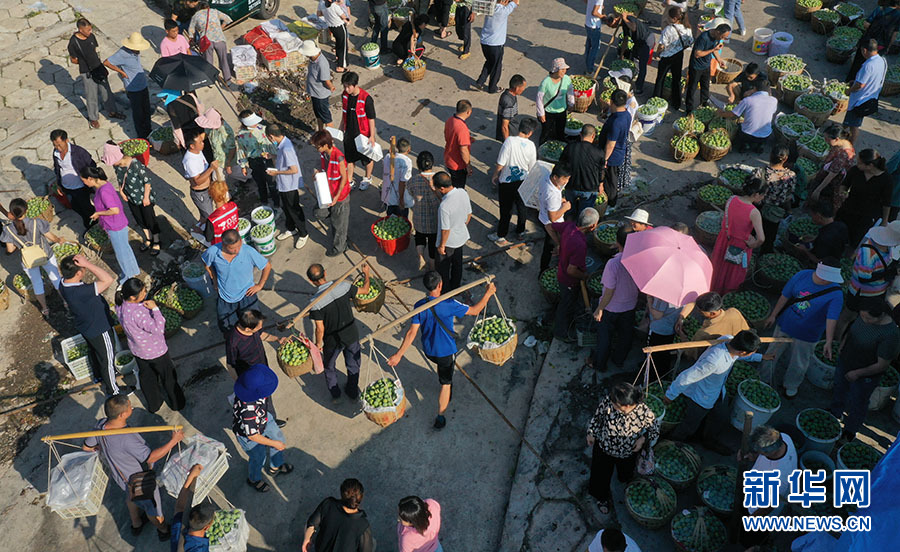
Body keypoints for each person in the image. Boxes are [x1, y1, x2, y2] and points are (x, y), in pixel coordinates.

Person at [387, 272, 496, 428]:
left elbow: (411, 333)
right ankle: (440, 416)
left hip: (429, 350)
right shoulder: (449, 303)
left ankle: (443, 380)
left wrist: (399, 355)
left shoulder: (419, 305)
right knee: (446, 383)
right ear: (440, 285)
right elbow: (475, 310)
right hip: (445, 352)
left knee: (442, 368)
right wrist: (489, 293)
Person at [83, 395, 182, 540]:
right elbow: (151, 457)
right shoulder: (126, 439)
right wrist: (173, 441)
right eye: (130, 407)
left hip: (122, 478)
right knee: (153, 509)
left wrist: (102, 448)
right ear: (122, 414)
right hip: (140, 482)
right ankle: (163, 530)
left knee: (130, 497)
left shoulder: (100, 425)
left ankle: (136, 524)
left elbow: (86, 447)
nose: (132, 408)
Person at [664, 330, 768, 453]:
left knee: (720, 416)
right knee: (690, 423)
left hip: (717, 391)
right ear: (742, 352)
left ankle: (708, 440)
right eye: (752, 352)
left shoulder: (730, 341)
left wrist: (760, 357)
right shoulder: (714, 361)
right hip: (702, 397)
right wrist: (670, 395)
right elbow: (687, 377)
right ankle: (671, 443)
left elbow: (740, 356)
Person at [761, 261, 844, 397]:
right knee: (772, 353)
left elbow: (832, 318)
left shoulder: (836, 294)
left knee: (799, 362)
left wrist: (828, 341)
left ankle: (791, 386)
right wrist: (773, 315)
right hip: (786, 324)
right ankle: (763, 379)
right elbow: (785, 296)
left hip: (808, 334)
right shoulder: (802, 276)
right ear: (823, 276)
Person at [830, 299, 900, 440]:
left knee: (858, 401)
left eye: (868, 318)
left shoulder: (890, 334)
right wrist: (842, 345)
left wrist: (857, 373)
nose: (864, 320)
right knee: (839, 388)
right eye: (862, 316)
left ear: (880, 316)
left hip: (865, 374)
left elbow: (882, 365)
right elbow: (851, 330)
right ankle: (835, 412)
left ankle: (850, 429)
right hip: (846, 361)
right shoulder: (863, 315)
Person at [586, 382, 659, 515]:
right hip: (604, 447)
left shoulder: (644, 413)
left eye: (615, 405)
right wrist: (591, 432)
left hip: (628, 452)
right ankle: (602, 497)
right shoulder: (610, 400)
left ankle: (624, 478)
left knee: (625, 474)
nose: (611, 404)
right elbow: (597, 417)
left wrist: (642, 439)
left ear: (626, 406)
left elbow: (654, 430)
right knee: (600, 475)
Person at [59, 254, 127, 395]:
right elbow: (108, 279)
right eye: (83, 269)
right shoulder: (80, 292)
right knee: (107, 359)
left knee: (95, 353)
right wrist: (88, 264)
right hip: (99, 328)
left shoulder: (63, 283)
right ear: (78, 273)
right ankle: (113, 390)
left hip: (86, 327)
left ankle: (97, 376)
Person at [115, 278, 186, 412]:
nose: (145, 293)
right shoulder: (139, 312)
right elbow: (158, 329)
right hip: (156, 351)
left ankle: (154, 405)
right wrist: (155, 309)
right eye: (143, 292)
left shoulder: (120, 306)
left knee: (147, 378)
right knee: (168, 378)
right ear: (132, 296)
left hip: (138, 351)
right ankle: (178, 404)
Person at [307, 263, 371, 401]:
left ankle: (335, 393)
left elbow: (320, 328)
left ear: (311, 281)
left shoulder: (314, 303)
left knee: (329, 366)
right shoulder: (344, 286)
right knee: (353, 364)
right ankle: (352, 391)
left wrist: (319, 343)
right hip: (350, 334)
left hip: (332, 340)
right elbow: (365, 290)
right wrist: (366, 273)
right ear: (325, 274)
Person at [232, 364, 293, 492]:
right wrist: (273, 443)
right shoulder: (248, 411)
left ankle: (275, 466)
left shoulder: (249, 389)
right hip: (250, 435)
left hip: (263, 417)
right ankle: (254, 479)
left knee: (278, 436)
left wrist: (276, 441)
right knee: (258, 457)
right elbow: (252, 435)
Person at [2, 198, 65, 316]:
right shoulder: (37, 222)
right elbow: (51, 237)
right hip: (45, 254)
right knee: (55, 277)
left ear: (11, 213)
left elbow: (10, 250)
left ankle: (45, 308)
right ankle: (66, 301)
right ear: (26, 210)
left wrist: (19, 243)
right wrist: (59, 240)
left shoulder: (8, 229)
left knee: (36, 283)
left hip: (27, 260)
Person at [201, 229, 272, 333]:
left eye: (239, 245)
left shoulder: (248, 251)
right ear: (224, 245)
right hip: (225, 297)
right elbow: (207, 264)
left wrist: (260, 285)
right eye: (233, 248)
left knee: (253, 324)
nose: (237, 250)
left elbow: (267, 266)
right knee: (227, 326)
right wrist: (215, 280)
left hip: (247, 295)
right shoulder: (213, 252)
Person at [224, 309, 286, 427]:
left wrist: (277, 339)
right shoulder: (233, 341)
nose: (259, 329)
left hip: (261, 371)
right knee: (257, 404)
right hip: (251, 379)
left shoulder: (252, 327)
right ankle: (262, 426)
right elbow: (230, 365)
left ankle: (271, 420)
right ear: (248, 329)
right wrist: (241, 384)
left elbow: (262, 335)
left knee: (267, 398)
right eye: (257, 328)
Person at [591, 226, 639, 371]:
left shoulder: (613, 264)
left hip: (611, 307)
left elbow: (609, 291)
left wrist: (600, 309)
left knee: (604, 338)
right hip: (630, 305)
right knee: (625, 335)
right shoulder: (639, 259)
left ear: (617, 242)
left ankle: (600, 365)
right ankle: (619, 360)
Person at [81, 165, 140, 283]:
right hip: (118, 223)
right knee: (125, 248)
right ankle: (134, 270)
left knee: (121, 254)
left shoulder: (104, 192)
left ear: (90, 178)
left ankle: (128, 278)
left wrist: (98, 213)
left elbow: (114, 210)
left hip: (115, 226)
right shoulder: (104, 185)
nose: (84, 183)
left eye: (84, 181)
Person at [841, 221, 900, 333]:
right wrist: (889, 273)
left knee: (862, 319)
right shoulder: (867, 253)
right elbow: (863, 278)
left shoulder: (887, 247)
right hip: (861, 294)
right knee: (848, 316)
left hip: (877, 293)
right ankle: (836, 340)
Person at [710, 178, 766, 294]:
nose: (763, 198)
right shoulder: (754, 212)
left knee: (719, 266)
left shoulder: (731, 199)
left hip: (724, 239)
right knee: (733, 272)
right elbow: (761, 238)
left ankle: (713, 289)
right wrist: (753, 244)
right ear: (756, 194)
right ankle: (726, 295)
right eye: (762, 195)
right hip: (739, 246)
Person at [103, 142, 161, 254]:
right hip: (130, 198)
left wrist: (146, 198)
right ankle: (148, 238)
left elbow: (147, 181)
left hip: (143, 198)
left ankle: (157, 240)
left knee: (150, 219)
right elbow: (120, 179)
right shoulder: (117, 166)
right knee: (139, 218)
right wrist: (121, 191)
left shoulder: (135, 164)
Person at [551, 208, 600, 339]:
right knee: (566, 305)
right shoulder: (579, 244)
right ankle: (561, 333)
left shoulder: (569, 226)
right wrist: (585, 276)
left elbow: (550, 226)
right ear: (592, 226)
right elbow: (571, 270)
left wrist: (558, 244)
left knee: (566, 303)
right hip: (568, 280)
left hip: (561, 270)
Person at [68, 18, 125, 128]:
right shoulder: (73, 43)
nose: (90, 32)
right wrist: (84, 63)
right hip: (87, 72)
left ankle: (112, 111)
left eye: (90, 29)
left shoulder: (91, 37)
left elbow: (94, 50)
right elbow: (73, 59)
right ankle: (93, 118)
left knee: (106, 91)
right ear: (80, 30)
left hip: (98, 68)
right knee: (91, 95)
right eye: (87, 30)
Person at [489, 117, 537, 245]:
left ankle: (501, 235)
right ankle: (520, 232)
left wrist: (495, 174)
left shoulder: (509, 141)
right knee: (522, 208)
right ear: (531, 132)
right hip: (523, 181)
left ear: (519, 127)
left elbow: (500, 162)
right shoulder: (531, 146)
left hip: (507, 183)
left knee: (506, 210)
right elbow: (532, 167)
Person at [265, 123, 309, 250]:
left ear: (271, 136)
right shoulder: (282, 144)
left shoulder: (286, 148)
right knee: (286, 207)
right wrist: (272, 156)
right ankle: (291, 228)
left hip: (289, 184)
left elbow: (293, 169)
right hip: (283, 184)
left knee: (294, 209)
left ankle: (303, 233)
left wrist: (276, 172)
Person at [836, 148, 893, 245]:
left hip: (866, 216)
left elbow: (886, 202)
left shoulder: (886, 179)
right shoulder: (855, 171)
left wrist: (884, 221)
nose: (857, 164)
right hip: (848, 208)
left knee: (856, 239)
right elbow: (845, 184)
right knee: (838, 231)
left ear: (870, 166)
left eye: (859, 163)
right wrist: (842, 192)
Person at [302, 479, 375, 552]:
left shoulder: (328, 504)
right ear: (360, 497)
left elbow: (312, 524)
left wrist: (307, 539)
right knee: (373, 542)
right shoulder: (363, 525)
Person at [739, 426, 798, 516]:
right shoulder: (783, 438)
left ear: (767, 453)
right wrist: (750, 454)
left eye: (759, 451)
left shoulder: (780, 476)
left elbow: (771, 505)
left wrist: (753, 517)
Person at [104, 32, 152, 138]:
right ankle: (142, 135)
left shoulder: (136, 52)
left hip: (142, 85)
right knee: (138, 113)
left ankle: (149, 131)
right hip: (133, 88)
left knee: (146, 110)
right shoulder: (122, 53)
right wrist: (121, 72)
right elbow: (107, 62)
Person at [311, 130, 351, 257]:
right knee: (318, 212)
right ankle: (341, 229)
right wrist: (318, 173)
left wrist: (337, 197)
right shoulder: (324, 155)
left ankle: (340, 247)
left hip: (340, 197)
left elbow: (344, 179)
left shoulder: (338, 158)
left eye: (318, 146)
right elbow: (325, 170)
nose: (316, 149)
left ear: (325, 145)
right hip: (328, 193)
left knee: (338, 226)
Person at [51, 128, 96, 231]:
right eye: (55, 145)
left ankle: (93, 225)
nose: (58, 148)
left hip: (80, 187)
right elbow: (58, 169)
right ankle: (88, 220)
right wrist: (58, 184)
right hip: (66, 186)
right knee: (75, 206)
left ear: (66, 140)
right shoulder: (56, 153)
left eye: (59, 144)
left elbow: (91, 164)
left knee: (86, 208)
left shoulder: (79, 152)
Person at [845, 39, 888, 144]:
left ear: (864, 50)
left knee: (854, 125)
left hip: (860, 100)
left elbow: (860, 85)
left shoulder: (868, 65)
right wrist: (854, 81)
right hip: (871, 96)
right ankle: (842, 129)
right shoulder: (882, 60)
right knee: (852, 121)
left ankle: (850, 145)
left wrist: (849, 90)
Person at [340, 72, 378, 190]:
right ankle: (350, 180)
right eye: (344, 86)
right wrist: (341, 127)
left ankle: (367, 177)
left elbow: (371, 119)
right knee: (349, 159)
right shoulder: (345, 96)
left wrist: (372, 136)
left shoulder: (366, 99)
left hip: (363, 134)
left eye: (348, 86)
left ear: (355, 85)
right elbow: (344, 113)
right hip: (349, 134)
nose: (346, 89)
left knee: (366, 159)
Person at [435, 171, 472, 291]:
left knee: (443, 269)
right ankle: (456, 288)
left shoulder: (444, 206)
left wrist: (442, 246)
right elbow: (469, 214)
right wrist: (461, 225)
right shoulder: (462, 192)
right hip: (461, 238)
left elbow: (445, 230)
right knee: (457, 265)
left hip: (449, 243)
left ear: (441, 188)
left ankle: (445, 291)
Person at [846, 0, 900, 81]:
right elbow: (894, 35)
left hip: (869, 41)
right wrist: (888, 47)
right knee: (872, 65)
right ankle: (865, 82)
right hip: (881, 46)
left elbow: (866, 24)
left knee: (858, 62)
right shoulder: (898, 16)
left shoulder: (880, 9)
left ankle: (851, 81)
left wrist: (874, 29)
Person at [720, 78, 777, 153]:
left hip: (747, 135)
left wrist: (721, 113)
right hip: (765, 135)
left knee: (738, 125)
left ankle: (746, 145)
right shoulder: (774, 100)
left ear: (754, 88)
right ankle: (760, 145)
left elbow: (732, 115)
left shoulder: (748, 100)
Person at [559, 124, 605, 216]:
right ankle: (581, 227)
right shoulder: (599, 152)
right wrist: (601, 184)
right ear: (593, 136)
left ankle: (569, 225)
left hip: (571, 185)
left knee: (569, 211)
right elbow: (601, 170)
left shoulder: (570, 147)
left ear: (580, 134)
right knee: (585, 214)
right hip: (589, 187)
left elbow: (561, 164)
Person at [474, 0, 519, 94]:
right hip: (496, 44)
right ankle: (492, 87)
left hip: (484, 42)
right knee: (496, 67)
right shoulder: (504, 11)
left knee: (489, 62)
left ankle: (480, 81)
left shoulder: (489, 8)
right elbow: (515, 2)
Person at [236, 110, 279, 207]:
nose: (256, 123)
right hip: (254, 161)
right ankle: (264, 202)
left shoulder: (263, 129)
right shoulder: (241, 135)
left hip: (267, 160)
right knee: (260, 184)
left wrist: (275, 156)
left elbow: (272, 143)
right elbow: (241, 151)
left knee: (272, 182)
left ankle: (276, 204)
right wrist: (243, 166)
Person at [653, 6, 693, 111]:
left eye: (669, 17)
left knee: (661, 78)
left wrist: (657, 53)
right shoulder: (687, 28)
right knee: (676, 79)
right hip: (679, 55)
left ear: (675, 19)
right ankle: (676, 102)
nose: (667, 18)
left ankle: (656, 100)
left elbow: (661, 45)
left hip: (666, 57)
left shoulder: (668, 30)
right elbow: (690, 42)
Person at [808, 125, 856, 210]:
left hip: (831, 183)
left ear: (837, 139)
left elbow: (831, 175)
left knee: (820, 202)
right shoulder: (842, 143)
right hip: (828, 173)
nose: (825, 141)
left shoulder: (843, 155)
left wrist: (818, 190)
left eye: (827, 139)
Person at [685, 23, 730, 114]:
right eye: (722, 36)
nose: (722, 39)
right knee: (692, 88)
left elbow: (715, 50)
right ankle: (689, 109)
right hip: (696, 67)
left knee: (705, 86)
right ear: (717, 32)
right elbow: (697, 54)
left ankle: (704, 104)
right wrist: (713, 50)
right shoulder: (704, 38)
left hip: (706, 65)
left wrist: (719, 60)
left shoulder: (717, 38)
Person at [759, 146, 796, 254]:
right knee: (769, 237)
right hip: (775, 212)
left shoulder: (760, 172)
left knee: (751, 231)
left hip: (758, 208)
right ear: (785, 159)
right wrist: (788, 210)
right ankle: (764, 256)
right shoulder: (790, 176)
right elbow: (788, 196)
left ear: (770, 155)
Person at [598, 90, 631, 207]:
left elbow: (611, 144)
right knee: (613, 179)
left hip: (612, 156)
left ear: (611, 101)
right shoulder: (627, 114)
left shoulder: (617, 122)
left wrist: (605, 159)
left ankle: (610, 203)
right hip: (620, 151)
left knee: (610, 181)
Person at [790, 200, 849, 266]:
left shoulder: (824, 239)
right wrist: (815, 238)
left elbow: (819, 261)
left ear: (818, 216)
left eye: (812, 215)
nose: (811, 218)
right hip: (837, 257)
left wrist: (805, 250)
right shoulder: (841, 225)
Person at [169, 464, 213, 552]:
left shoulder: (179, 526)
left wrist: (191, 476)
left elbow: (179, 507)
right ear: (207, 528)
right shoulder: (199, 549)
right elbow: (179, 507)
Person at [408, 151, 440, 270]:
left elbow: (409, 197)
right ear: (432, 163)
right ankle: (432, 267)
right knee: (432, 243)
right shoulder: (439, 178)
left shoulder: (413, 180)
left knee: (419, 237)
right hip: (434, 219)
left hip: (419, 217)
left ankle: (421, 257)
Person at [188, 0, 233, 83]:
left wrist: (192, 40)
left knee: (208, 61)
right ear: (208, 7)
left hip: (206, 41)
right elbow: (228, 19)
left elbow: (191, 30)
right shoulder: (215, 11)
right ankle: (228, 79)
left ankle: (211, 79)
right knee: (223, 60)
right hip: (219, 39)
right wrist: (221, 28)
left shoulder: (196, 15)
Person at [538, 163, 572, 272]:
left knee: (554, 245)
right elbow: (552, 218)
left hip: (543, 216)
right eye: (564, 179)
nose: (566, 182)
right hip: (551, 224)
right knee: (550, 246)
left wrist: (560, 200)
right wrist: (565, 208)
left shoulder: (546, 178)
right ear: (555, 177)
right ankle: (544, 270)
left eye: (568, 178)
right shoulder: (551, 194)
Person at [182, 128, 219, 227]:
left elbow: (203, 135)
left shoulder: (197, 150)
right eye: (200, 142)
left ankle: (198, 227)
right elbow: (197, 181)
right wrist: (211, 169)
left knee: (205, 215)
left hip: (207, 189)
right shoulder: (190, 161)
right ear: (192, 146)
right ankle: (207, 235)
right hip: (201, 194)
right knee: (210, 217)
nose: (203, 143)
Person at [682, 291, 750, 344]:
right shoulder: (734, 311)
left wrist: (681, 335)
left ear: (713, 313)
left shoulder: (704, 333)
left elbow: (690, 351)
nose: (698, 312)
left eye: (701, 312)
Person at [647, 295, 689, 374]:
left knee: (653, 357)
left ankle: (650, 379)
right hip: (671, 328)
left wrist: (649, 299)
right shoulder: (682, 292)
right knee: (664, 355)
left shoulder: (662, 295)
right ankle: (663, 376)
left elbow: (657, 315)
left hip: (658, 329)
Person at [536, 58, 574, 144]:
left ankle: (560, 145)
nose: (564, 72)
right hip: (549, 111)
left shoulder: (567, 79)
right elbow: (539, 98)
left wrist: (571, 103)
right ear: (555, 70)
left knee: (560, 130)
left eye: (565, 69)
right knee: (546, 132)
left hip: (561, 110)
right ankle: (541, 147)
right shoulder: (545, 82)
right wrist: (541, 114)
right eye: (562, 69)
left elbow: (570, 91)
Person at [302, 40, 336, 132]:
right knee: (318, 115)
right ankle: (320, 132)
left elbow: (326, 81)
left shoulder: (322, 63)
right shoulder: (313, 60)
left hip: (320, 95)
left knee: (326, 117)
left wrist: (331, 87)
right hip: (315, 93)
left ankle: (331, 138)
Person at [617, 7, 652, 95]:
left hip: (646, 40)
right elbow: (625, 39)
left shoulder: (628, 19)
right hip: (638, 41)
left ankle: (639, 88)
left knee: (642, 64)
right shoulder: (624, 25)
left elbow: (633, 27)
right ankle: (634, 75)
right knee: (634, 57)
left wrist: (624, 18)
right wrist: (622, 53)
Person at [196, 108, 235, 180]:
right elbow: (206, 134)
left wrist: (228, 163)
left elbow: (232, 148)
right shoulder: (211, 127)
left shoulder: (225, 131)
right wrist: (196, 141)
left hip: (224, 160)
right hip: (217, 158)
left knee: (217, 180)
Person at [444, 100, 473, 189]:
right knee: (459, 186)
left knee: (454, 180)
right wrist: (468, 165)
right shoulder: (462, 128)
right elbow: (463, 150)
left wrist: (468, 139)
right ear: (468, 112)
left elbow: (448, 135)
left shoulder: (450, 120)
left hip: (448, 157)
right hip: (457, 164)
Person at [381, 137, 413, 218]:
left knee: (391, 217)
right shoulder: (407, 162)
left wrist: (391, 145)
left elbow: (391, 154)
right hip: (399, 195)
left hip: (388, 194)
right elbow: (402, 182)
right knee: (402, 220)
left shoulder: (387, 157)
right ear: (409, 150)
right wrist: (401, 200)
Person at [203, 180, 238, 246]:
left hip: (221, 248)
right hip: (236, 242)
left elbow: (208, 238)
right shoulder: (233, 206)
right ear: (225, 193)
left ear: (211, 195)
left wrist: (200, 231)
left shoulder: (212, 219)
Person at [318, 0, 351, 71]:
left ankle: (338, 58)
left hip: (331, 26)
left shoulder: (321, 3)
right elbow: (343, 16)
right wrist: (347, 20)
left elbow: (319, 14)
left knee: (338, 43)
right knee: (343, 46)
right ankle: (341, 66)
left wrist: (327, 13)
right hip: (339, 27)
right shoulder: (335, 6)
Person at [497, 74, 526, 141]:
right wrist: (507, 142)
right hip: (510, 133)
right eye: (523, 87)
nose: (524, 89)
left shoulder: (509, 94)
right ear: (517, 88)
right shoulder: (508, 102)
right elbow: (505, 126)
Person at [584, 0, 605, 73]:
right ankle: (590, 71)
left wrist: (598, 7)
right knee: (595, 48)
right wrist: (603, 16)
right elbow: (594, 12)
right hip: (594, 26)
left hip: (588, 23)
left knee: (588, 46)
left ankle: (587, 65)